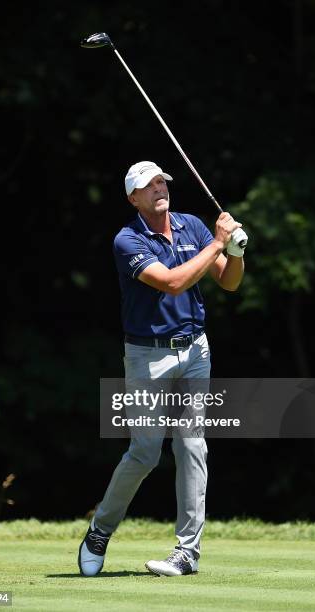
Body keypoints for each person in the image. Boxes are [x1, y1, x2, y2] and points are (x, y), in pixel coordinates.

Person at [79, 161, 246, 577]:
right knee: (145, 452)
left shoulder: (192, 226)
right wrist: (219, 243)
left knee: (192, 445)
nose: (158, 189)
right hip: (147, 357)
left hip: (195, 351)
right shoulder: (127, 239)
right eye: (147, 186)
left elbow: (229, 282)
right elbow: (172, 282)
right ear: (132, 197)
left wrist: (236, 252)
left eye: (161, 182)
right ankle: (100, 530)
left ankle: (187, 552)